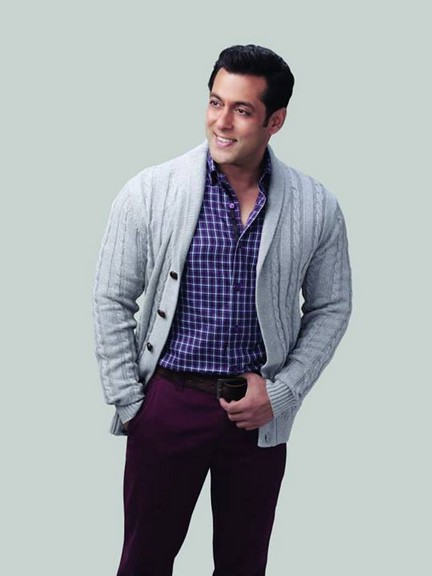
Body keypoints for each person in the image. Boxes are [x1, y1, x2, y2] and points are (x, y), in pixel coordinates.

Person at [93, 44, 352, 576]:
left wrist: (281, 394)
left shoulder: (316, 205)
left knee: (243, 565)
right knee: (143, 563)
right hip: (168, 401)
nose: (222, 122)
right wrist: (132, 404)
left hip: (256, 412)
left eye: (242, 110)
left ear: (276, 120)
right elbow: (111, 297)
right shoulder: (150, 191)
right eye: (215, 102)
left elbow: (331, 305)